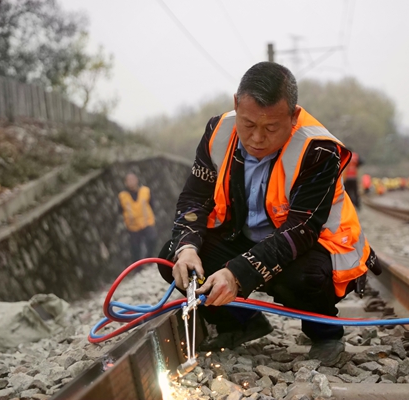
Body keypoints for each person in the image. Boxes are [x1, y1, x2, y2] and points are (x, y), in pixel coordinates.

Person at [158, 62, 381, 366]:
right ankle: (240, 322)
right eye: (248, 125)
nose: (257, 139)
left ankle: (325, 334)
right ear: (236, 104)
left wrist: (238, 274)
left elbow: (300, 230)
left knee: (305, 277)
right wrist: (186, 248)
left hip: (307, 246)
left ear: (293, 115)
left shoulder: (318, 149)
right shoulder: (218, 132)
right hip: (243, 238)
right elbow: (195, 199)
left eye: (271, 128)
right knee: (174, 259)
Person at [118, 173, 158, 262]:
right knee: (135, 247)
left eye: (132, 180)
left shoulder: (145, 191)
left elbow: (152, 204)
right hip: (133, 226)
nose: (131, 182)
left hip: (147, 222)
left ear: (137, 180)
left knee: (152, 239)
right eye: (129, 180)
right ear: (125, 183)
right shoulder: (122, 196)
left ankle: (149, 257)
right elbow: (120, 210)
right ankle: (138, 267)